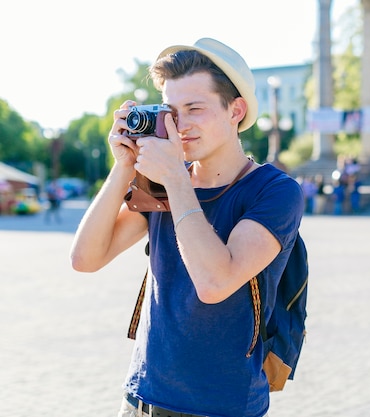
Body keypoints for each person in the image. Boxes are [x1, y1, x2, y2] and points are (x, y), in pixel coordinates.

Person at [70, 38, 304, 417]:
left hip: (221, 405)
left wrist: (177, 181)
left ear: (235, 110)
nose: (181, 126)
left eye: (195, 109)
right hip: (141, 398)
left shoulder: (274, 191)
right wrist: (124, 166)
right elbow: (85, 258)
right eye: (171, 113)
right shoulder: (159, 182)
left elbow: (215, 283)